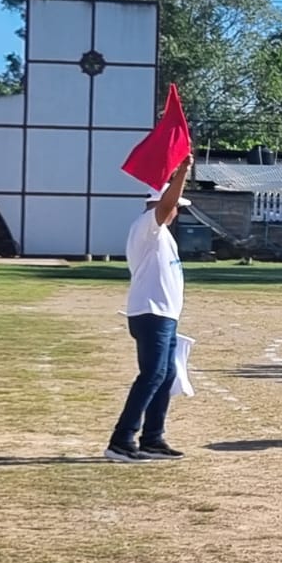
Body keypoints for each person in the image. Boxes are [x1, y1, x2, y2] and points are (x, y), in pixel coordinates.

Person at [105, 157, 193, 462]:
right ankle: (121, 440)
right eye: (176, 205)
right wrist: (183, 172)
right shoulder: (147, 227)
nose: (177, 211)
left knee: (166, 375)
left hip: (164, 315)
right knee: (153, 374)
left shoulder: (162, 235)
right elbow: (165, 206)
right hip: (151, 314)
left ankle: (152, 439)